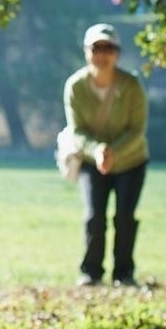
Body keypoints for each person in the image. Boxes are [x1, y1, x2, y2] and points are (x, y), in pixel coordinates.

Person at [62, 23, 149, 287]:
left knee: (124, 216)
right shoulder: (76, 86)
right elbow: (77, 130)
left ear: (117, 53)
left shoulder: (132, 85)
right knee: (93, 215)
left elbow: (137, 130)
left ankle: (124, 273)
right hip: (91, 161)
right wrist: (97, 150)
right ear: (87, 51)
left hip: (131, 161)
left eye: (108, 48)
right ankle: (91, 272)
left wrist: (114, 152)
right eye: (96, 48)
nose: (102, 54)